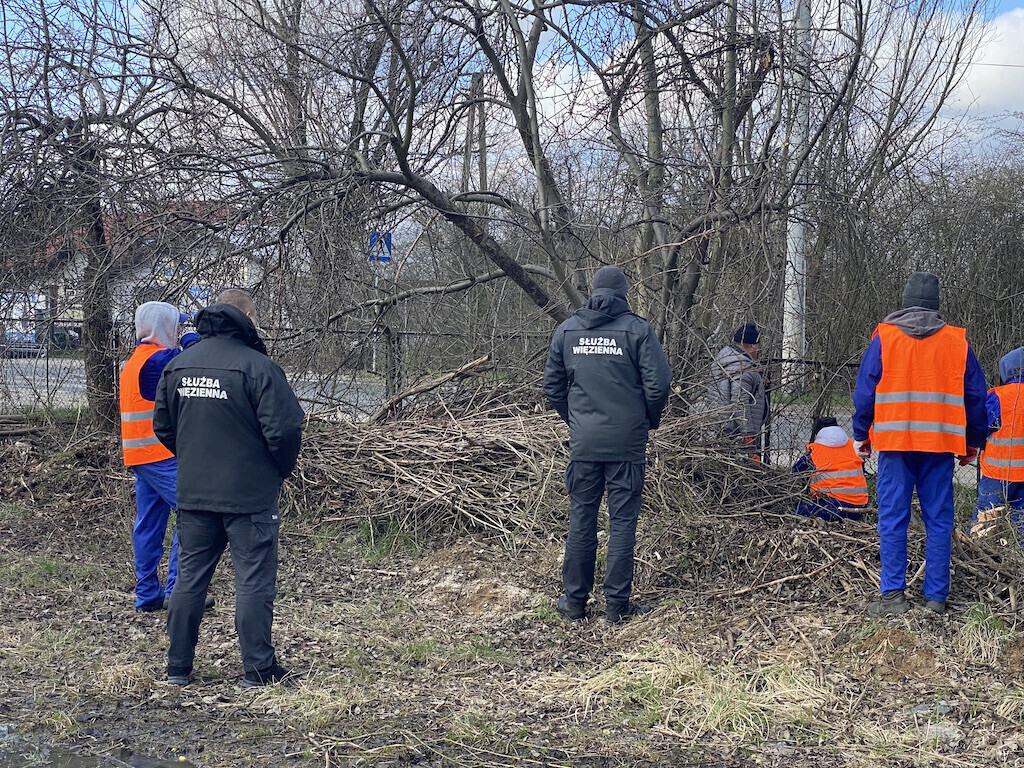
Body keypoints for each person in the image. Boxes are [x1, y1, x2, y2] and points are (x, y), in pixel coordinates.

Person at [154, 289, 305, 687]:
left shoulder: (178, 366)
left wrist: (194, 460)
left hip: (195, 493)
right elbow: (286, 430)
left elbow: (164, 429)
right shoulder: (259, 368)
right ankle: (258, 670)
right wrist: (278, 470)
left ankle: (178, 667)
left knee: (189, 578)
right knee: (253, 580)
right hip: (250, 496)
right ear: (248, 317)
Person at [852, 272, 987, 616]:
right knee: (939, 520)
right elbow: (975, 396)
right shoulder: (957, 343)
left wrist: (860, 432)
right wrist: (972, 443)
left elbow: (866, 391)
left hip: (895, 445)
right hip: (939, 445)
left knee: (893, 518)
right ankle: (935, 599)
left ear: (905, 301)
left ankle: (893, 597)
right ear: (936, 305)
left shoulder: (885, 338)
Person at [542, 265, 672, 625]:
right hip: (626, 444)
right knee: (622, 523)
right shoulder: (638, 331)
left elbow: (552, 388)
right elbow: (658, 386)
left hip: (584, 444)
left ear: (593, 291)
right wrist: (645, 420)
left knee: (581, 519)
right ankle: (617, 607)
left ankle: (574, 603)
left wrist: (578, 422)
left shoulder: (567, 330)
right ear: (624, 293)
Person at [119, 301, 200, 612]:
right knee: (193, 510)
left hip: (142, 455)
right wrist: (193, 337)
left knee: (149, 523)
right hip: (159, 454)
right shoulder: (160, 359)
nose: (178, 330)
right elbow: (194, 361)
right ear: (163, 326)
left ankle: (148, 594)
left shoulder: (138, 359)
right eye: (176, 325)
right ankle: (178, 591)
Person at [970, 347, 1024, 543]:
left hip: (998, 474)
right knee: (1022, 526)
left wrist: (972, 445)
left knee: (985, 523)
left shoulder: (999, 396)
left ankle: (976, 558)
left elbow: (980, 427)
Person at [707, 323, 767, 459]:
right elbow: (739, 401)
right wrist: (748, 434)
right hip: (736, 433)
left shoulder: (721, 361)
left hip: (718, 427)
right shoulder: (744, 367)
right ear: (752, 345)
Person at [792, 416, 868, 522]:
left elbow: (796, 472)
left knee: (796, 511)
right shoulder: (852, 446)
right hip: (860, 508)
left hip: (834, 507)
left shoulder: (815, 451)